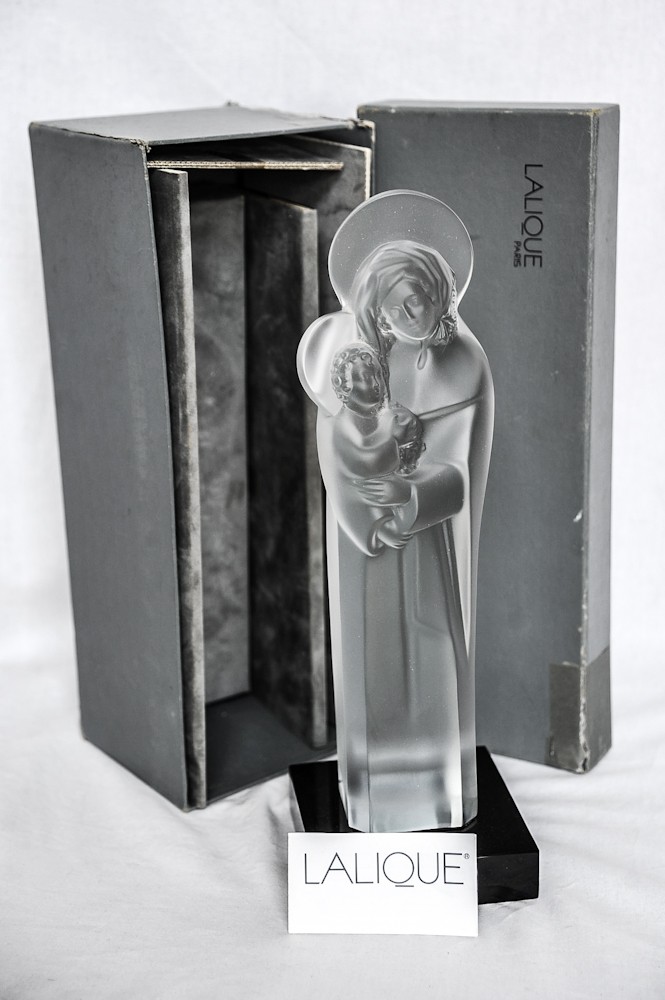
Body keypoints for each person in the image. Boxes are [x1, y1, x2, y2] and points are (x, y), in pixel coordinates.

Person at [298, 192, 494, 833]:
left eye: (420, 303)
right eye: (395, 307)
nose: (411, 316)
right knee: (368, 655)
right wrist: (364, 488)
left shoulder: (462, 364)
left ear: (442, 293)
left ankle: (439, 790)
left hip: (429, 543)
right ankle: (371, 793)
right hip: (366, 546)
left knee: (434, 651)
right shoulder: (351, 358)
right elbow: (335, 447)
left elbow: (460, 468)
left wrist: (412, 497)